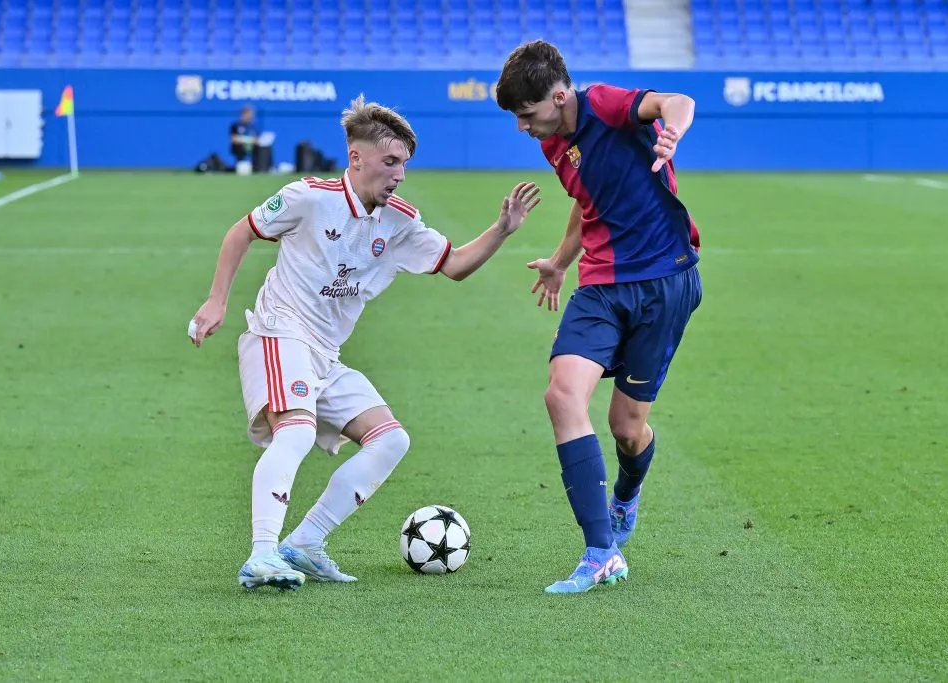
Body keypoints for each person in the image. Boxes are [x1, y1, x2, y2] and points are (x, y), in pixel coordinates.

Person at [189, 94, 541, 592]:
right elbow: (241, 233)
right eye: (391, 162)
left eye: (404, 164)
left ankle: (305, 543)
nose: (400, 174)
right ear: (356, 157)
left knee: (391, 439)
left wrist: (502, 230)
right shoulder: (308, 197)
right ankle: (262, 554)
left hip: (325, 355)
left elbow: (455, 264)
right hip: (278, 332)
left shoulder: (399, 221)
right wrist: (216, 301)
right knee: (295, 432)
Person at [494, 40, 703, 594]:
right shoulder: (554, 142)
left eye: (527, 114)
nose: (522, 127)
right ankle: (600, 552)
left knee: (627, 429)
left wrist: (673, 131)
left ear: (560, 97)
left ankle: (626, 497)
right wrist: (561, 262)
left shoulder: (605, 104)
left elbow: (677, 100)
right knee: (562, 395)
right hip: (601, 285)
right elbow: (587, 199)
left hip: (664, 281)